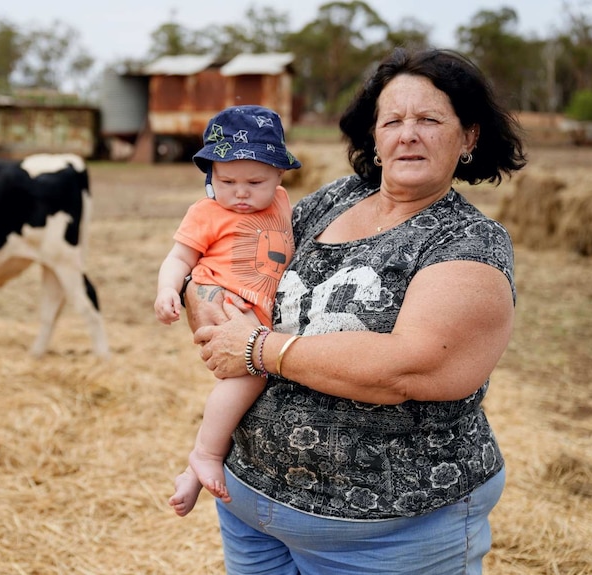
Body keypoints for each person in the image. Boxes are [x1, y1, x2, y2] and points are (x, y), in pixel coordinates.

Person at [185, 47, 527, 574]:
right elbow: (232, 264)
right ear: (374, 135)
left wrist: (257, 347)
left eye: (430, 119)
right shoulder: (333, 200)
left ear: (469, 137)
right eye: (392, 120)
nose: (407, 134)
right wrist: (204, 300)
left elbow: (407, 367)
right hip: (249, 509)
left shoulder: (468, 243)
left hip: (388, 541)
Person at [154, 105, 301, 516]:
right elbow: (179, 258)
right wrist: (168, 290)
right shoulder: (206, 212)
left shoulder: (283, 203)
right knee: (248, 382)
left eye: (255, 181)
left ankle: (193, 474)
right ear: (211, 176)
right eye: (226, 180)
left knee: (258, 400)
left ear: (280, 176)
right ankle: (205, 452)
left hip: (264, 318)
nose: (240, 193)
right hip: (230, 311)